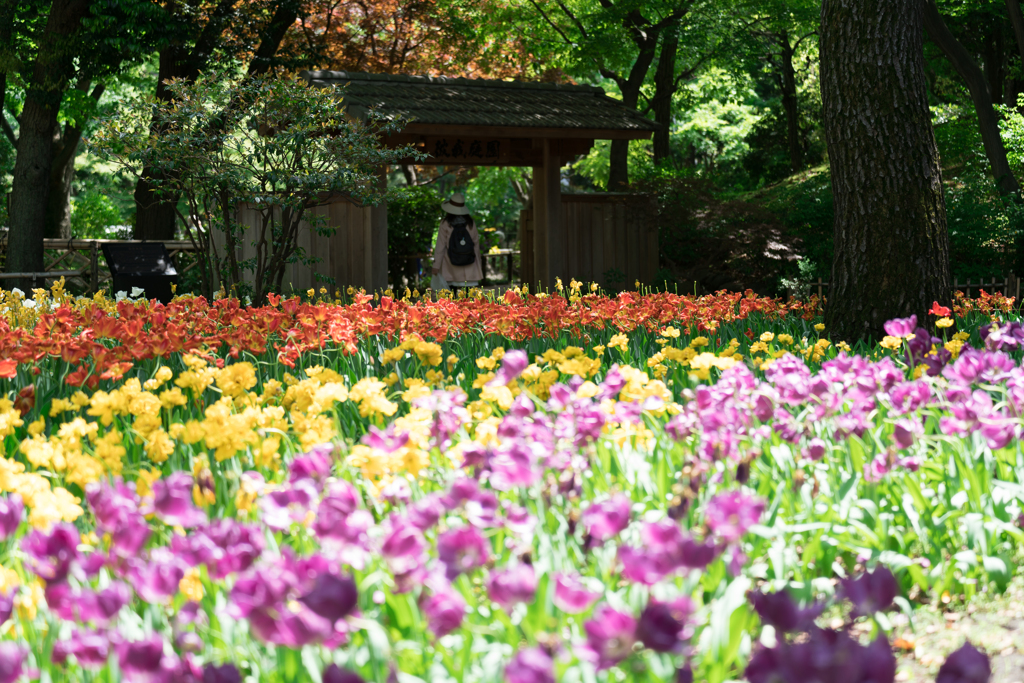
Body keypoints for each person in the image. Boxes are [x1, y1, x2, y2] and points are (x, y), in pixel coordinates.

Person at [431, 193, 483, 289]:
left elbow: (440, 246)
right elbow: (476, 244)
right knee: (469, 297)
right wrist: (478, 264)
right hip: (469, 265)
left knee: (452, 297)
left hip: (451, 265)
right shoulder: (470, 222)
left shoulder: (445, 223)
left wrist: (436, 265)